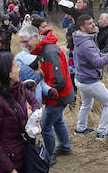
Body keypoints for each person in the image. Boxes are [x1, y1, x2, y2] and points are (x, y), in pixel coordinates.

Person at [23, 24, 75, 160]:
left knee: (45, 126)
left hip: (59, 95)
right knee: (58, 121)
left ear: (35, 37)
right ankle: (65, 146)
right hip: (57, 94)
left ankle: (49, 156)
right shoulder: (41, 49)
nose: (24, 45)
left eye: (25, 41)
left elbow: (59, 81)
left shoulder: (49, 52)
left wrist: (43, 92)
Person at [72, 14, 108, 139]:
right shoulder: (86, 44)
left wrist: (95, 33)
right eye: (89, 24)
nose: (94, 24)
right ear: (82, 27)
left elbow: (95, 52)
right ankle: (102, 133)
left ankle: (80, 128)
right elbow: (98, 62)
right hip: (89, 82)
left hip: (81, 78)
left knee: (86, 104)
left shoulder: (81, 37)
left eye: (93, 22)